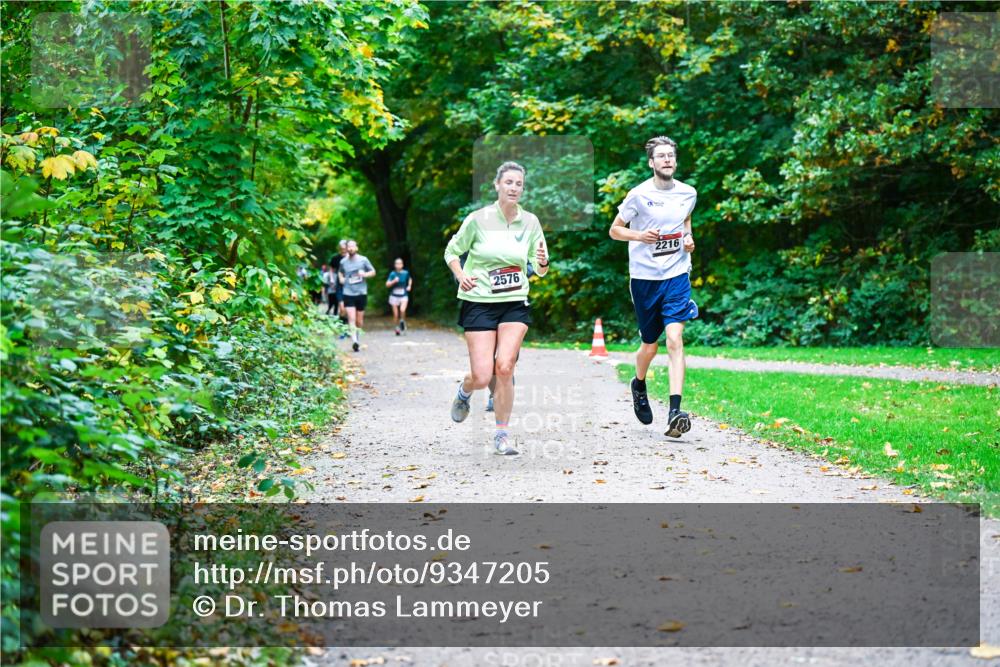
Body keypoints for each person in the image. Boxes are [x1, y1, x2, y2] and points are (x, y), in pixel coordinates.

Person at [444, 161, 549, 455]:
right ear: (497, 185)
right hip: (479, 301)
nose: (514, 188)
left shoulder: (530, 222)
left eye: (519, 184)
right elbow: (452, 251)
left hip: (514, 301)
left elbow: (540, 269)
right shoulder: (478, 219)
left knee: (504, 366)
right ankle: (465, 391)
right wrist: (461, 274)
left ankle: (501, 435)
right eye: (509, 183)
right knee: (481, 375)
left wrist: (541, 261)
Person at [609, 136, 698, 438]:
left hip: (676, 275)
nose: (667, 160)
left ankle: (675, 412)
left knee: (674, 338)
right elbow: (614, 230)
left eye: (671, 155)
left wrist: (687, 239)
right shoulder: (638, 195)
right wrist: (640, 236)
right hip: (645, 278)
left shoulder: (688, 193)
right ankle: (639, 383)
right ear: (651, 163)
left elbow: (685, 221)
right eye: (661, 156)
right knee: (650, 344)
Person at [338, 240, 376, 352]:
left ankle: (357, 338)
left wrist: (365, 274)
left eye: (352, 246)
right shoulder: (343, 261)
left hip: (361, 293)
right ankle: (354, 341)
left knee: (359, 321)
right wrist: (341, 278)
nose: (350, 248)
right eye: (348, 246)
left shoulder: (363, 260)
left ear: (356, 248)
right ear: (346, 249)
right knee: (351, 318)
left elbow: (373, 271)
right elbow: (340, 272)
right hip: (348, 292)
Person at [386, 258, 413, 335]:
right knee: (395, 314)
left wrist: (409, 286)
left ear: (402, 265)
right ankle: (396, 328)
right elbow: (387, 284)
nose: (398, 265)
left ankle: (402, 322)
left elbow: (410, 279)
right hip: (394, 296)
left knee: (402, 310)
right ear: (395, 265)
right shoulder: (392, 274)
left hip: (403, 295)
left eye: (400, 263)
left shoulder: (406, 273)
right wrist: (394, 281)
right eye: (397, 264)